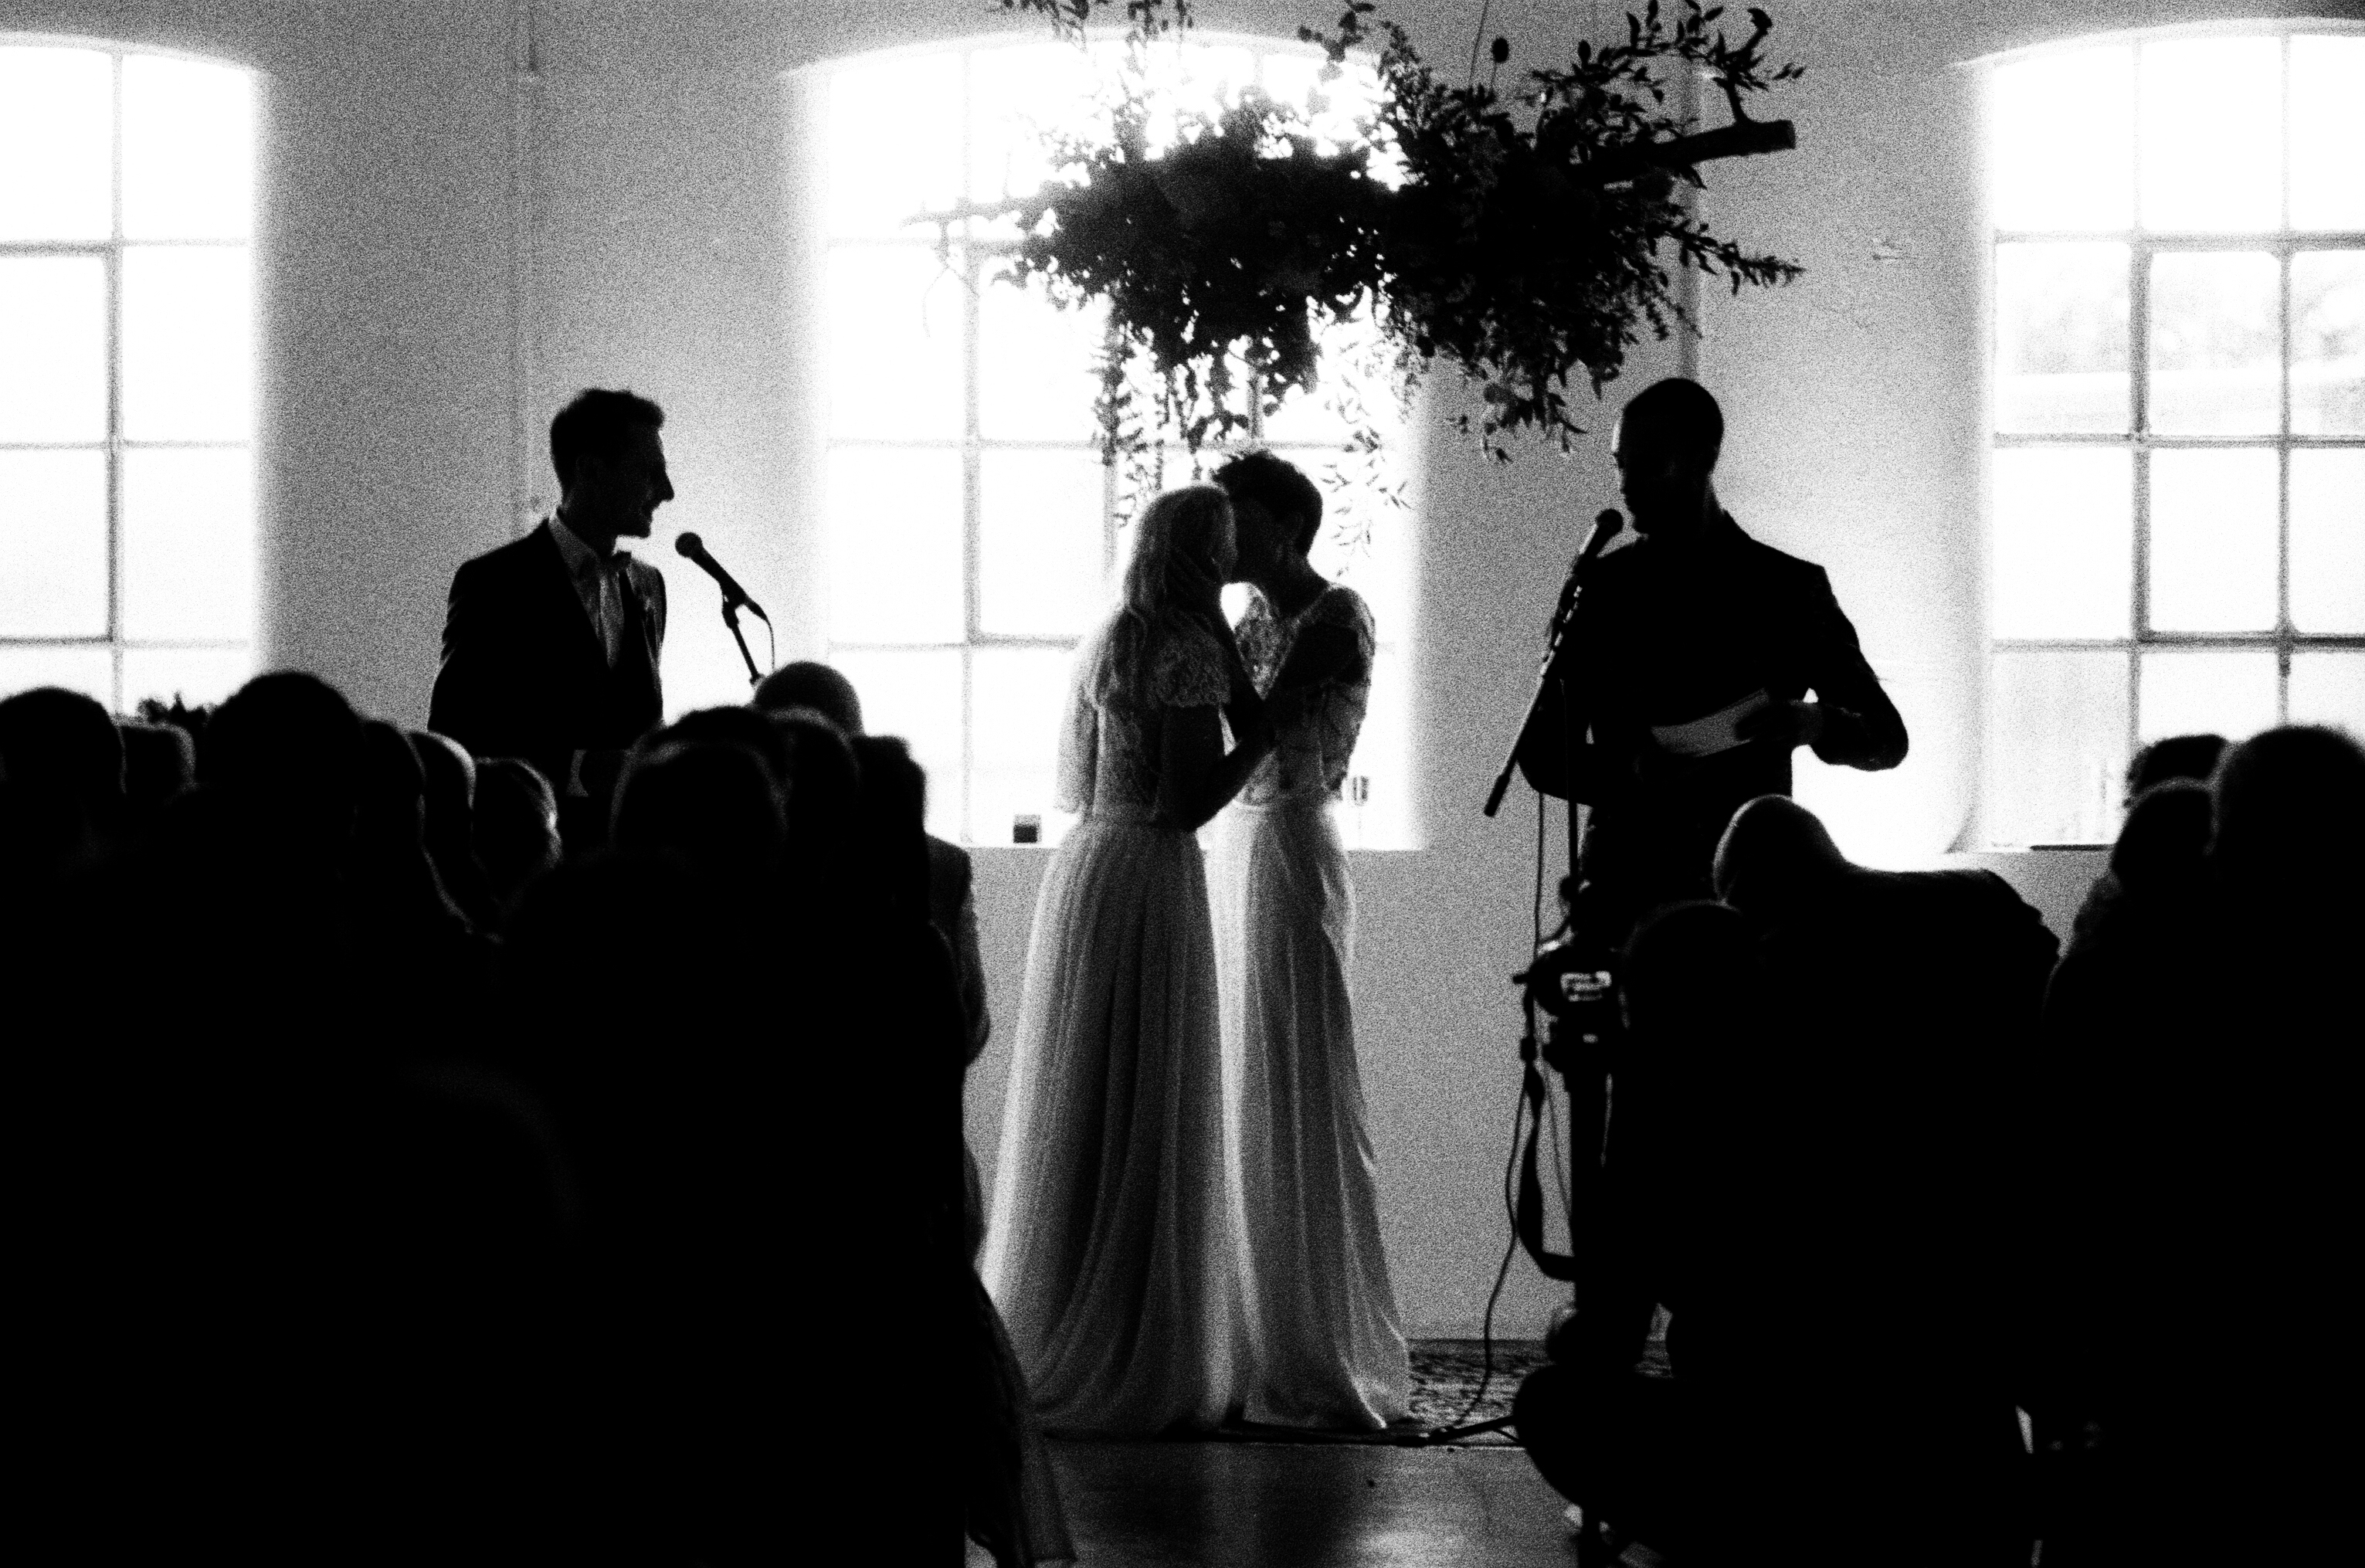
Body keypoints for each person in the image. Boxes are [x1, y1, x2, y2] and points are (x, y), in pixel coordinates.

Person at [982, 484, 1278, 1435]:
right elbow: (1188, 800)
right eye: (1224, 543)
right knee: (1147, 1099)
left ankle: (1065, 1308)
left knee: (1090, 1098)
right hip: (1151, 872)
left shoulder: (1116, 631)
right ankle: (1135, 1341)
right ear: (1202, 552)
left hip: (1090, 869)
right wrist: (1259, 740)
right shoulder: (1187, 645)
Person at [1514, 378, 1907, 945]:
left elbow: (1888, 739)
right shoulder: (1601, 589)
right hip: (1624, 896)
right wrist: (1633, 771)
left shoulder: (1788, 590)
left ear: (1704, 457)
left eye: (1648, 464)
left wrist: (1817, 723)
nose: (1626, 485)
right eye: (1620, 465)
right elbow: (1542, 753)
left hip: (1750, 899)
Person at [1205, 450, 1410, 1431]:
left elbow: (1261, 720)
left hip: (1292, 833)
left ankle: (1315, 1340)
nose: (1226, 538)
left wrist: (1199, 621)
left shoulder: (1336, 614)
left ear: (1286, 525)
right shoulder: (1248, 617)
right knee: (1245, 1076)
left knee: (1298, 1068)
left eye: (1239, 520)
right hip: (1239, 836)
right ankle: (1249, 1332)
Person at [429, 389, 673, 850]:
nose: (667, 491)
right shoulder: (494, 582)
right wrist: (582, 769)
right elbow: (456, 734)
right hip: (528, 860)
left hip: (628, 864)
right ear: (590, 470)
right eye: (651, 472)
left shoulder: (649, 586)